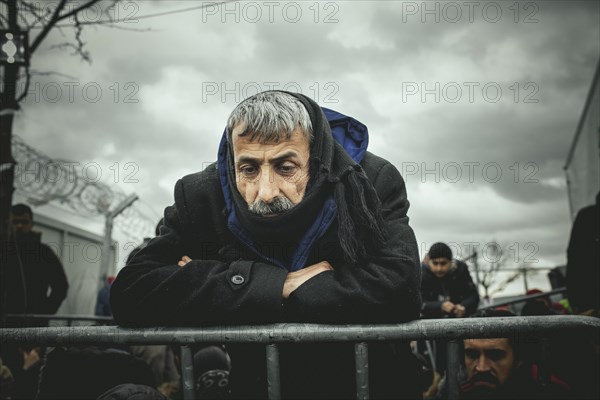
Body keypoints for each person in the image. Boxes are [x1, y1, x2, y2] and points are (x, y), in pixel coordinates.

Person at [111, 91, 422, 398]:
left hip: (372, 384)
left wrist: (217, 281)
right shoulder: (202, 196)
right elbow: (133, 291)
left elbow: (400, 287)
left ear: (315, 157)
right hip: (261, 386)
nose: (266, 192)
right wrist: (277, 285)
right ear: (232, 161)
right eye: (248, 169)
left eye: (286, 168)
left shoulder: (369, 180)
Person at [459, 310, 570, 400]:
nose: (481, 368)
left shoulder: (550, 390)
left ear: (519, 358)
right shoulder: (455, 392)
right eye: (472, 355)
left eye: (495, 356)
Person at [2, 204, 69, 315]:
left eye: (24, 222)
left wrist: (43, 313)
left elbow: (61, 286)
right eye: (15, 222)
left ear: (31, 224)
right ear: (9, 224)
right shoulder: (3, 250)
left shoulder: (44, 252)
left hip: (32, 321)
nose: (19, 226)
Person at [421, 242, 479, 319]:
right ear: (428, 261)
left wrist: (464, 307)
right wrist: (439, 306)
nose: (439, 268)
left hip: (458, 319)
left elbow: (473, 296)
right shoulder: (421, 273)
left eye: (443, 263)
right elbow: (416, 303)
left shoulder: (461, 270)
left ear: (450, 261)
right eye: (435, 263)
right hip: (429, 321)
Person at [566, 191, 600, 314]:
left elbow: (574, 259)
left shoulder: (586, 216)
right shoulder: (587, 217)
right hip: (590, 298)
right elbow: (575, 260)